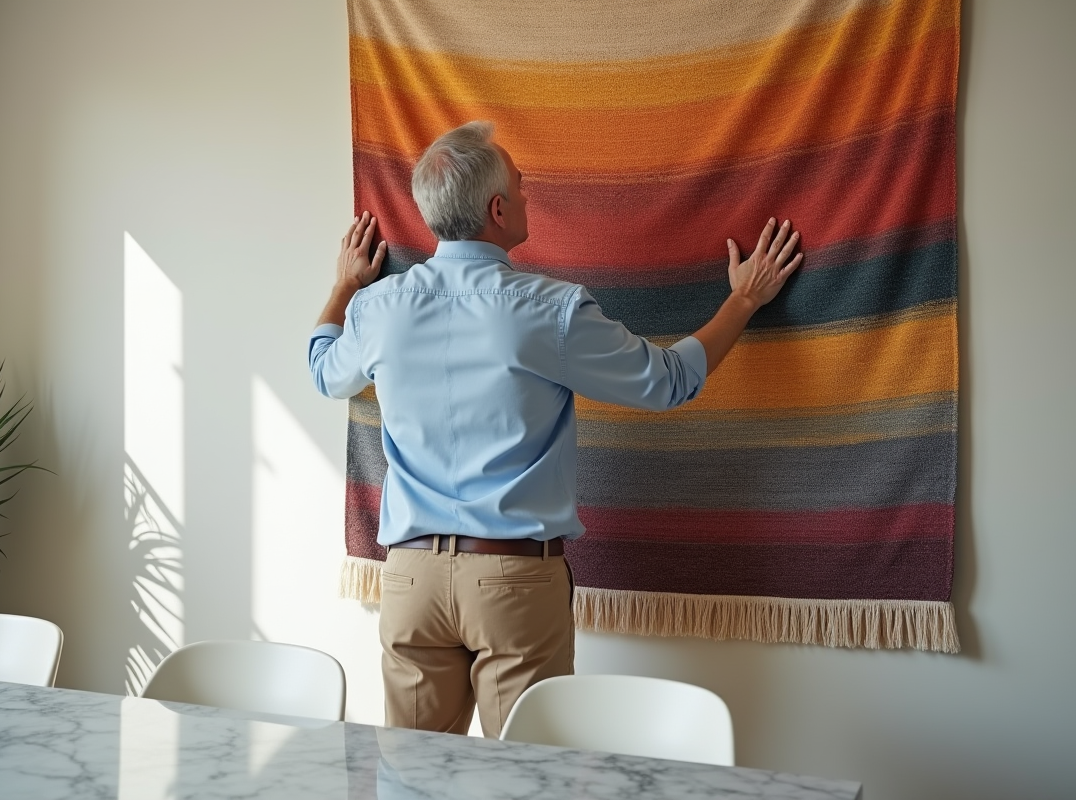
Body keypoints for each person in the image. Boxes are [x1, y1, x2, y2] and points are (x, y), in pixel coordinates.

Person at [309, 120, 802, 738]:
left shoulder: (377, 309)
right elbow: (671, 381)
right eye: (520, 185)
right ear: (496, 209)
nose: (526, 193)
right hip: (513, 582)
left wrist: (345, 284)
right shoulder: (549, 311)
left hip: (411, 580)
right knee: (529, 783)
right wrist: (743, 300)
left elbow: (324, 374)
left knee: (412, 782)